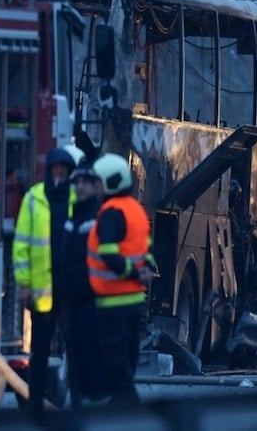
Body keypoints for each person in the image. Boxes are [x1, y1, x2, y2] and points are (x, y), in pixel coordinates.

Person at [12, 146, 80, 421]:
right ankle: (35, 407)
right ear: (49, 170)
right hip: (43, 293)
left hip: (69, 291)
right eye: (56, 168)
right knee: (38, 354)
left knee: (74, 352)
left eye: (64, 169)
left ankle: (78, 406)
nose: (59, 173)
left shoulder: (76, 198)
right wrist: (24, 284)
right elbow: (21, 246)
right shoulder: (33, 199)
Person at [86, 153, 154, 406]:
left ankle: (130, 416)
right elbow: (145, 250)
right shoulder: (136, 210)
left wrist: (134, 273)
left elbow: (109, 255)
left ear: (110, 182)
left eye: (97, 182)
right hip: (134, 302)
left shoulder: (110, 213)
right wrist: (144, 270)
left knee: (117, 370)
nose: (94, 188)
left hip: (113, 303)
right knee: (126, 364)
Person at [63, 160, 107, 407]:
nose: (79, 187)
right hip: (72, 300)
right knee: (75, 354)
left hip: (90, 300)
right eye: (76, 182)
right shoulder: (74, 218)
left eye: (85, 183)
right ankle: (78, 402)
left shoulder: (94, 219)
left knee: (90, 353)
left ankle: (92, 405)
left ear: (95, 186)